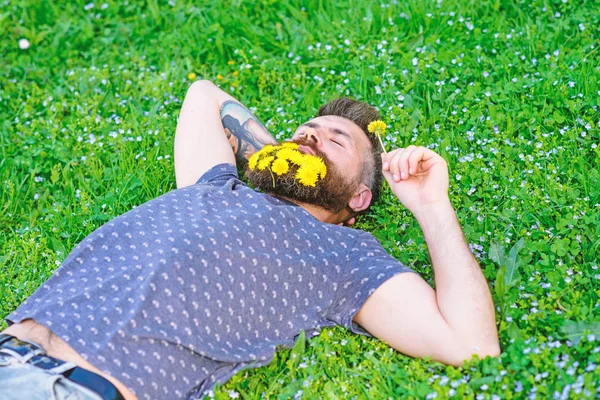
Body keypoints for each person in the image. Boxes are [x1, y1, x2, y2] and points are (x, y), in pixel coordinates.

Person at [1, 80, 500, 400]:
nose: (308, 136)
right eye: (305, 130)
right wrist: (286, 156)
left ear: (360, 198)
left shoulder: (345, 258)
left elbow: (471, 344)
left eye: (335, 139)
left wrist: (432, 205)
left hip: (74, 388)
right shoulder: (213, 184)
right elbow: (204, 95)